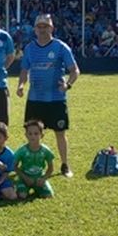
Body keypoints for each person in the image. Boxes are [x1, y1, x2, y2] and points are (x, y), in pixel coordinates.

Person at [16, 14, 79, 178]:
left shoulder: (60, 47)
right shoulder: (30, 48)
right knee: (32, 133)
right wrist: (21, 85)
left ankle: (65, 164)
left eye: (46, 26)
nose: (42, 29)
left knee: (60, 132)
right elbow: (24, 70)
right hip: (35, 99)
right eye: (39, 27)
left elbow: (74, 70)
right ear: (35, 29)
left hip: (56, 99)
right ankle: (31, 164)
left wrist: (68, 85)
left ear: (52, 28)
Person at [14, 120, 56, 199]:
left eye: (36, 134)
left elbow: (51, 168)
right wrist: (25, 178)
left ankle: (38, 189)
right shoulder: (22, 151)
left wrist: (44, 178)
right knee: (22, 196)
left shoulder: (45, 151)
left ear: (42, 135)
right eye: (30, 134)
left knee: (49, 195)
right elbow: (14, 166)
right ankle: (23, 187)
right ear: (26, 135)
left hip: (39, 178)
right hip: (25, 179)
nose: (33, 136)